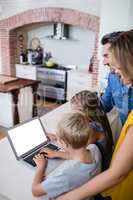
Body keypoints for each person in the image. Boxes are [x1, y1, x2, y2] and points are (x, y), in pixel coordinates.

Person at [55, 30, 133, 200]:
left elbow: (116, 175)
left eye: (108, 56)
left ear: (125, 58)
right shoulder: (113, 78)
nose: (106, 63)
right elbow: (102, 106)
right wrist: (83, 111)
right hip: (121, 145)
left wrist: (66, 197)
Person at [32, 111, 102, 199]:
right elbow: (77, 155)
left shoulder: (66, 175)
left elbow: (35, 191)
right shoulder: (94, 149)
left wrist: (41, 167)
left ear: (64, 144)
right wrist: (57, 153)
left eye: (58, 140)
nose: (57, 140)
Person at [47, 90, 113, 170]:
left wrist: (55, 153)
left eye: (75, 111)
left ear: (86, 112)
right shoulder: (96, 122)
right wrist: (57, 137)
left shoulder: (92, 130)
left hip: (101, 170)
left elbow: (77, 154)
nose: (73, 114)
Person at [100, 31, 133, 140]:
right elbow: (105, 104)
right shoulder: (112, 77)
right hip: (125, 136)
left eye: (106, 56)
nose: (104, 62)